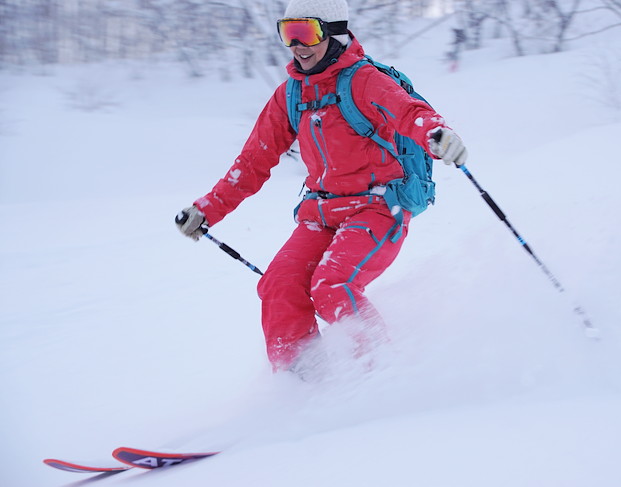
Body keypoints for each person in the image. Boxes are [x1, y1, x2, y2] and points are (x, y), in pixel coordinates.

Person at [176, 0, 468, 374]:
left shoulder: (364, 80)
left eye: (305, 33)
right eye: (287, 33)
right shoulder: (290, 95)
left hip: (380, 208)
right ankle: (302, 385)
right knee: (278, 285)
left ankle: (382, 373)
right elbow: (252, 162)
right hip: (322, 213)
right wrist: (206, 210)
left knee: (332, 284)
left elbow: (410, 113)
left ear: (333, 33)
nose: (296, 45)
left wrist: (437, 134)